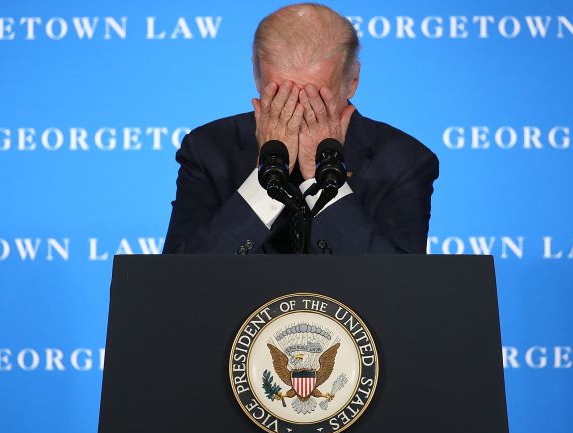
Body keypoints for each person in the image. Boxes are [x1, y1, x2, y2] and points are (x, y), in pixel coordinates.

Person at [163, 3, 438, 254]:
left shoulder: (404, 161)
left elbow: (400, 289)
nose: (298, 111)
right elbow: (178, 281)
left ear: (352, 80)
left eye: (316, 98)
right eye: (281, 95)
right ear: (256, 75)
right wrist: (262, 184)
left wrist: (321, 181)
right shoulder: (207, 150)